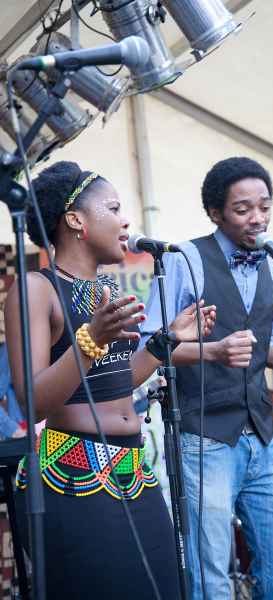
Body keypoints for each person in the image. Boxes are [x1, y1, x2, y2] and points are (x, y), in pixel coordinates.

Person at [5, 161, 216, 600]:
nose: (125, 222)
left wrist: (166, 342)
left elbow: (116, 385)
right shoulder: (35, 288)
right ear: (75, 220)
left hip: (134, 472)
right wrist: (91, 339)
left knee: (166, 589)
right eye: (114, 208)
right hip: (71, 476)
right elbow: (33, 401)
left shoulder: (108, 291)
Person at [138, 156, 273, 600]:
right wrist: (215, 350)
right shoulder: (184, 259)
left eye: (264, 206)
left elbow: (261, 344)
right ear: (216, 213)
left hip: (261, 435)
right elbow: (152, 346)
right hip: (204, 437)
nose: (257, 217)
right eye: (243, 209)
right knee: (211, 575)